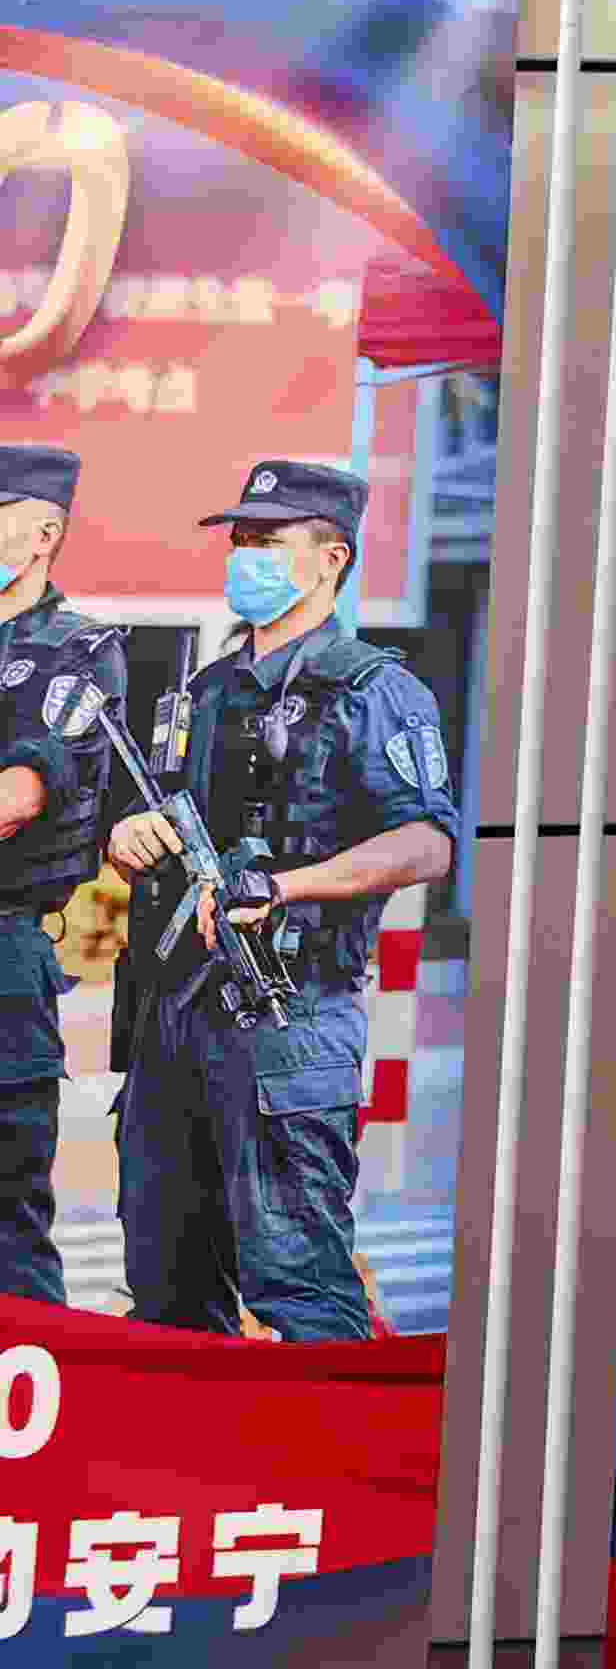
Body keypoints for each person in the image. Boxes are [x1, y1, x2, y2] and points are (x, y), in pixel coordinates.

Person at [107, 456, 457, 1342]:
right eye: (240, 540)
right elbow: (170, 822)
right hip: (173, 1014)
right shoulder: (206, 692)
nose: (245, 556)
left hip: (287, 1017)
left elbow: (429, 842)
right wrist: (133, 835)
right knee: (167, 1282)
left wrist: (288, 885)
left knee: (298, 1284)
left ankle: (335, 1435)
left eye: (267, 540)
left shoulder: (376, 691)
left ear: (332, 558)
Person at [0, 445, 126, 1309]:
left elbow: (16, 798)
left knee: (7, 1225)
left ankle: (35, 1381)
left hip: (6, 952)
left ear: (44, 534)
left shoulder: (76, 652)